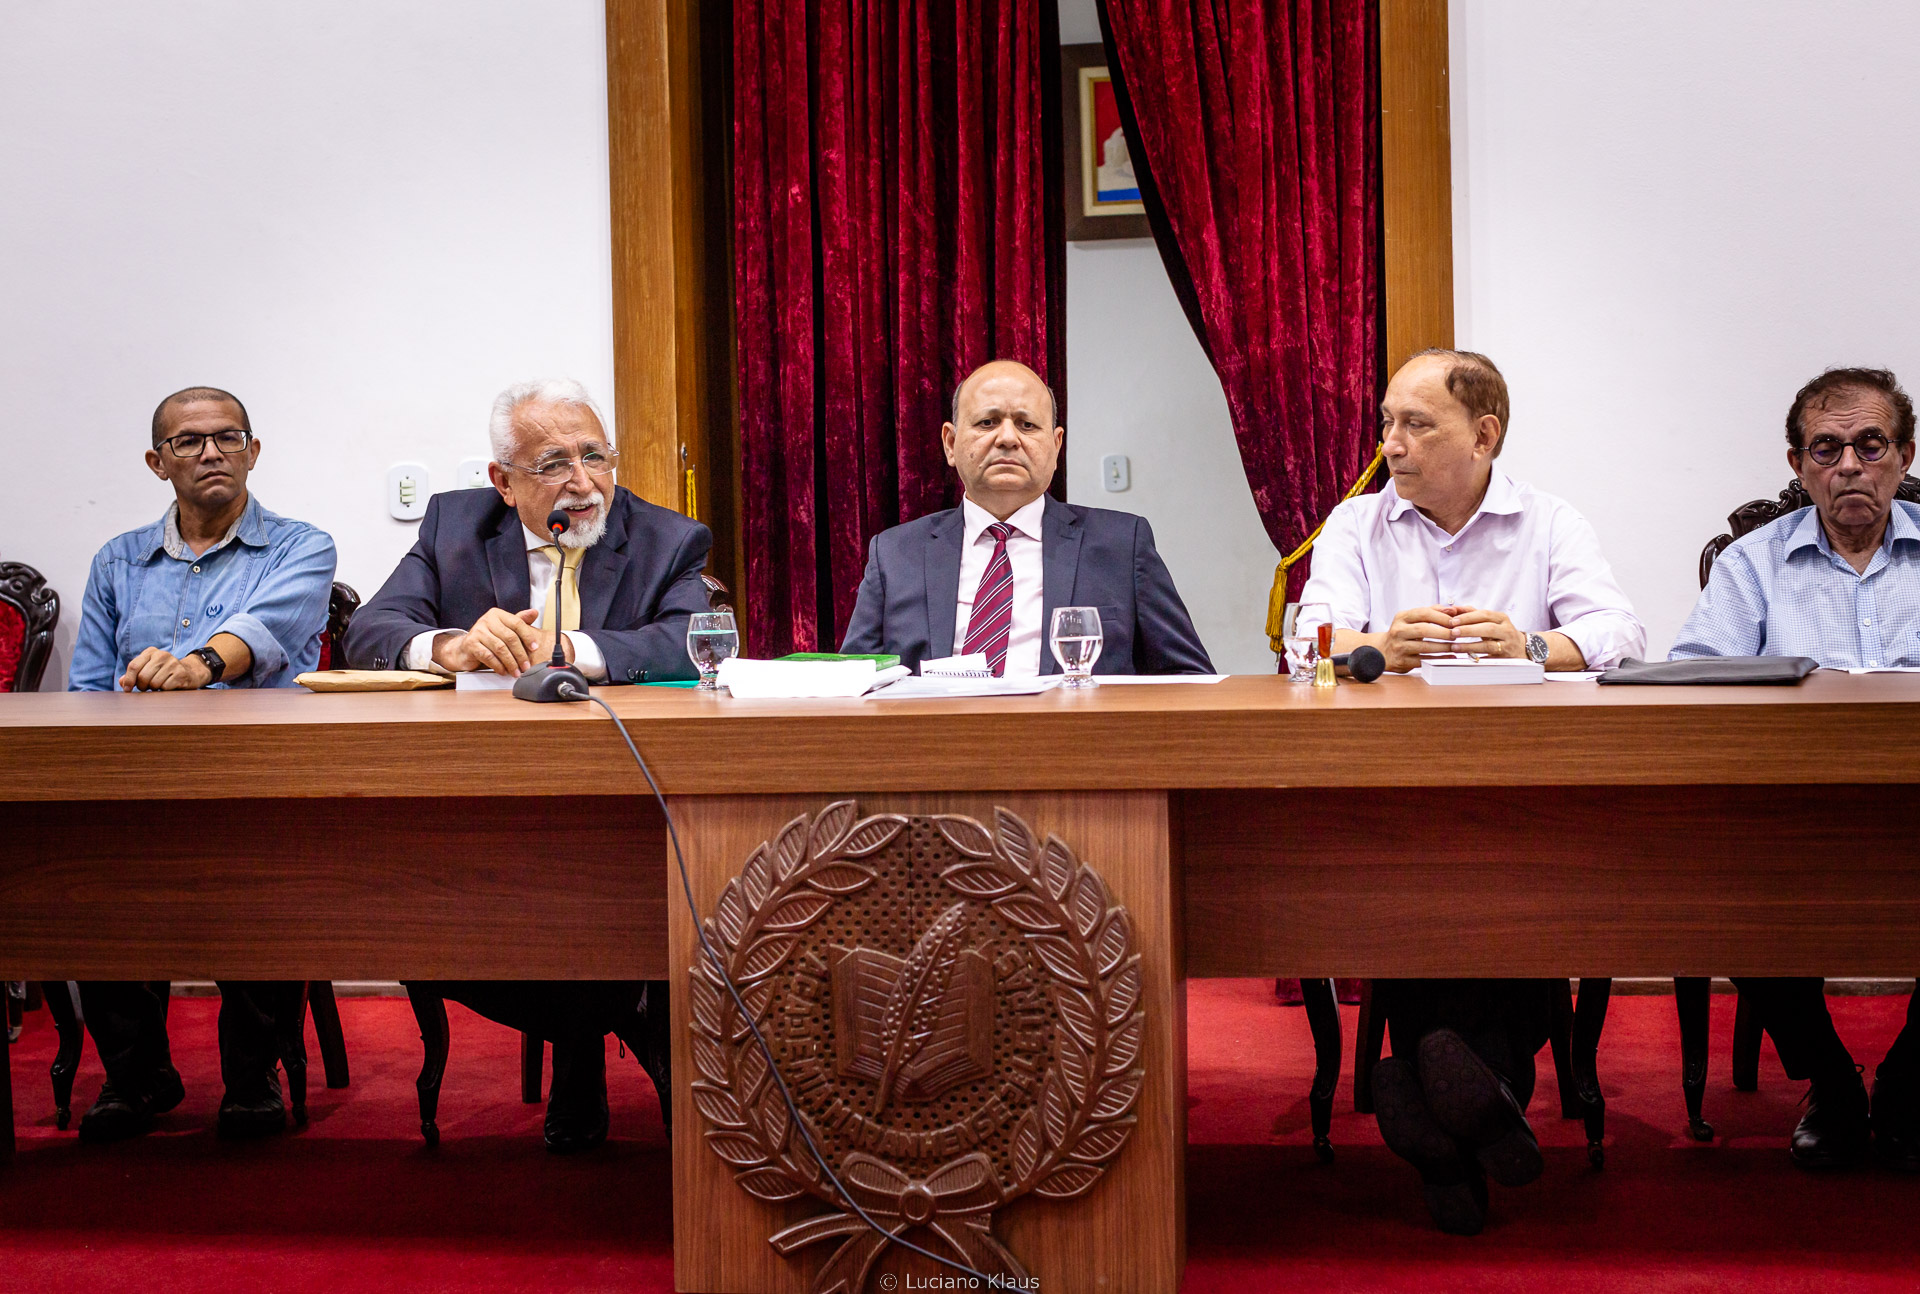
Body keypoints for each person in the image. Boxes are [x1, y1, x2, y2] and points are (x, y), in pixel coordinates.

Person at [1299, 348, 1646, 1234]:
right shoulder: (1355, 526)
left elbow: (1619, 632)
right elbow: (1311, 639)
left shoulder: (1548, 521)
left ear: (1484, 436)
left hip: (1524, 794)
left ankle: (1431, 1107)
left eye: (1417, 425)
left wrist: (1529, 645)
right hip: (1390, 799)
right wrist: (1377, 641)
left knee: (1502, 884)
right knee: (1430, 889)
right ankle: (1484, 1097)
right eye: (1387, 423)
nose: (1392, 445)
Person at [346, 377, 709, 1151]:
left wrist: (570, 650)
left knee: (605, 887)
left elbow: (694, 639)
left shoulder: (667, 539)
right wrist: (445, 645)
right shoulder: (453, 527)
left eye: (595, 456)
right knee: (465, 896)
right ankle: (603, 1024)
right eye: (554, 463)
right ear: (503, 483)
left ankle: (602, 1028)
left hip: (623, 797)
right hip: (489, 797)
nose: (584, 483)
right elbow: (371, 627)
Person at [69, 385, 336, 1141]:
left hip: (259, 780)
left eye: (228, 437)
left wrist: (196, 667)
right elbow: (89, 687)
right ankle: (136, 1074)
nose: (212, 451)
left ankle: (254, 1078)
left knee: (263, 880)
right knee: (79, 882)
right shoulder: (117, 560)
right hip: (139, 783)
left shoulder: (301, 546)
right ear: (158, 463)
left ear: (254, 452)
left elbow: (267, 626)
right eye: (189, 441)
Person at [1671, 365, 1920, 1172]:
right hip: (1791, 814)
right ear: (1798, 465)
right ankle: (1834, 1081)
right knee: (1717, 890)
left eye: (1870, 444)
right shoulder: (1753, 562)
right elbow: (1694, 677)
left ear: (1903, 455)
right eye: (1827, 447)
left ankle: (1914, 1078)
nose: (1849, 464)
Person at [840, 359, 1213, 676]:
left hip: (1074, 751)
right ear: (950, 444)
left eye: (1027, 425)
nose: (1007, 438)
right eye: (987, 422)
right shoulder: (895, 553)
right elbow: (852, 685)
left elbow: (1188, 679)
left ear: (1056, 445)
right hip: (935, 751)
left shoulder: (1121, 543)